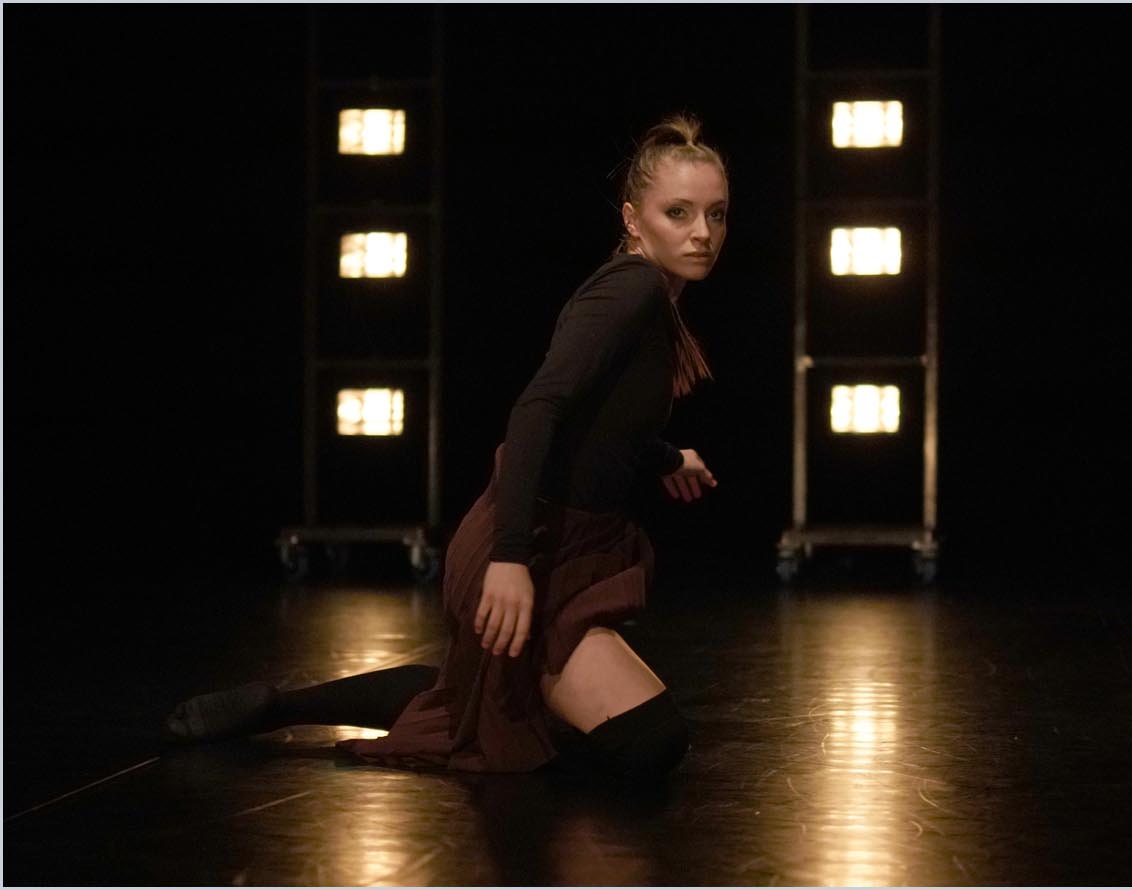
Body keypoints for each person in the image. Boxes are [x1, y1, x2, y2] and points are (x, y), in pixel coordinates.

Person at [164, 114, 729, 781]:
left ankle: (280, 704)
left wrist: (668, 459)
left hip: (566, 542)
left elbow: (602, 423)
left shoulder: (652, 296)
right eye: (678, 212)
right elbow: (538, 409)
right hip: (530, 542)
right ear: (633, 219)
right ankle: (302, 704)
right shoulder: (631, 288)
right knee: (648, 740)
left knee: (485, 699)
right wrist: (510, 560)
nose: (701, 232)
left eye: (716, 214)